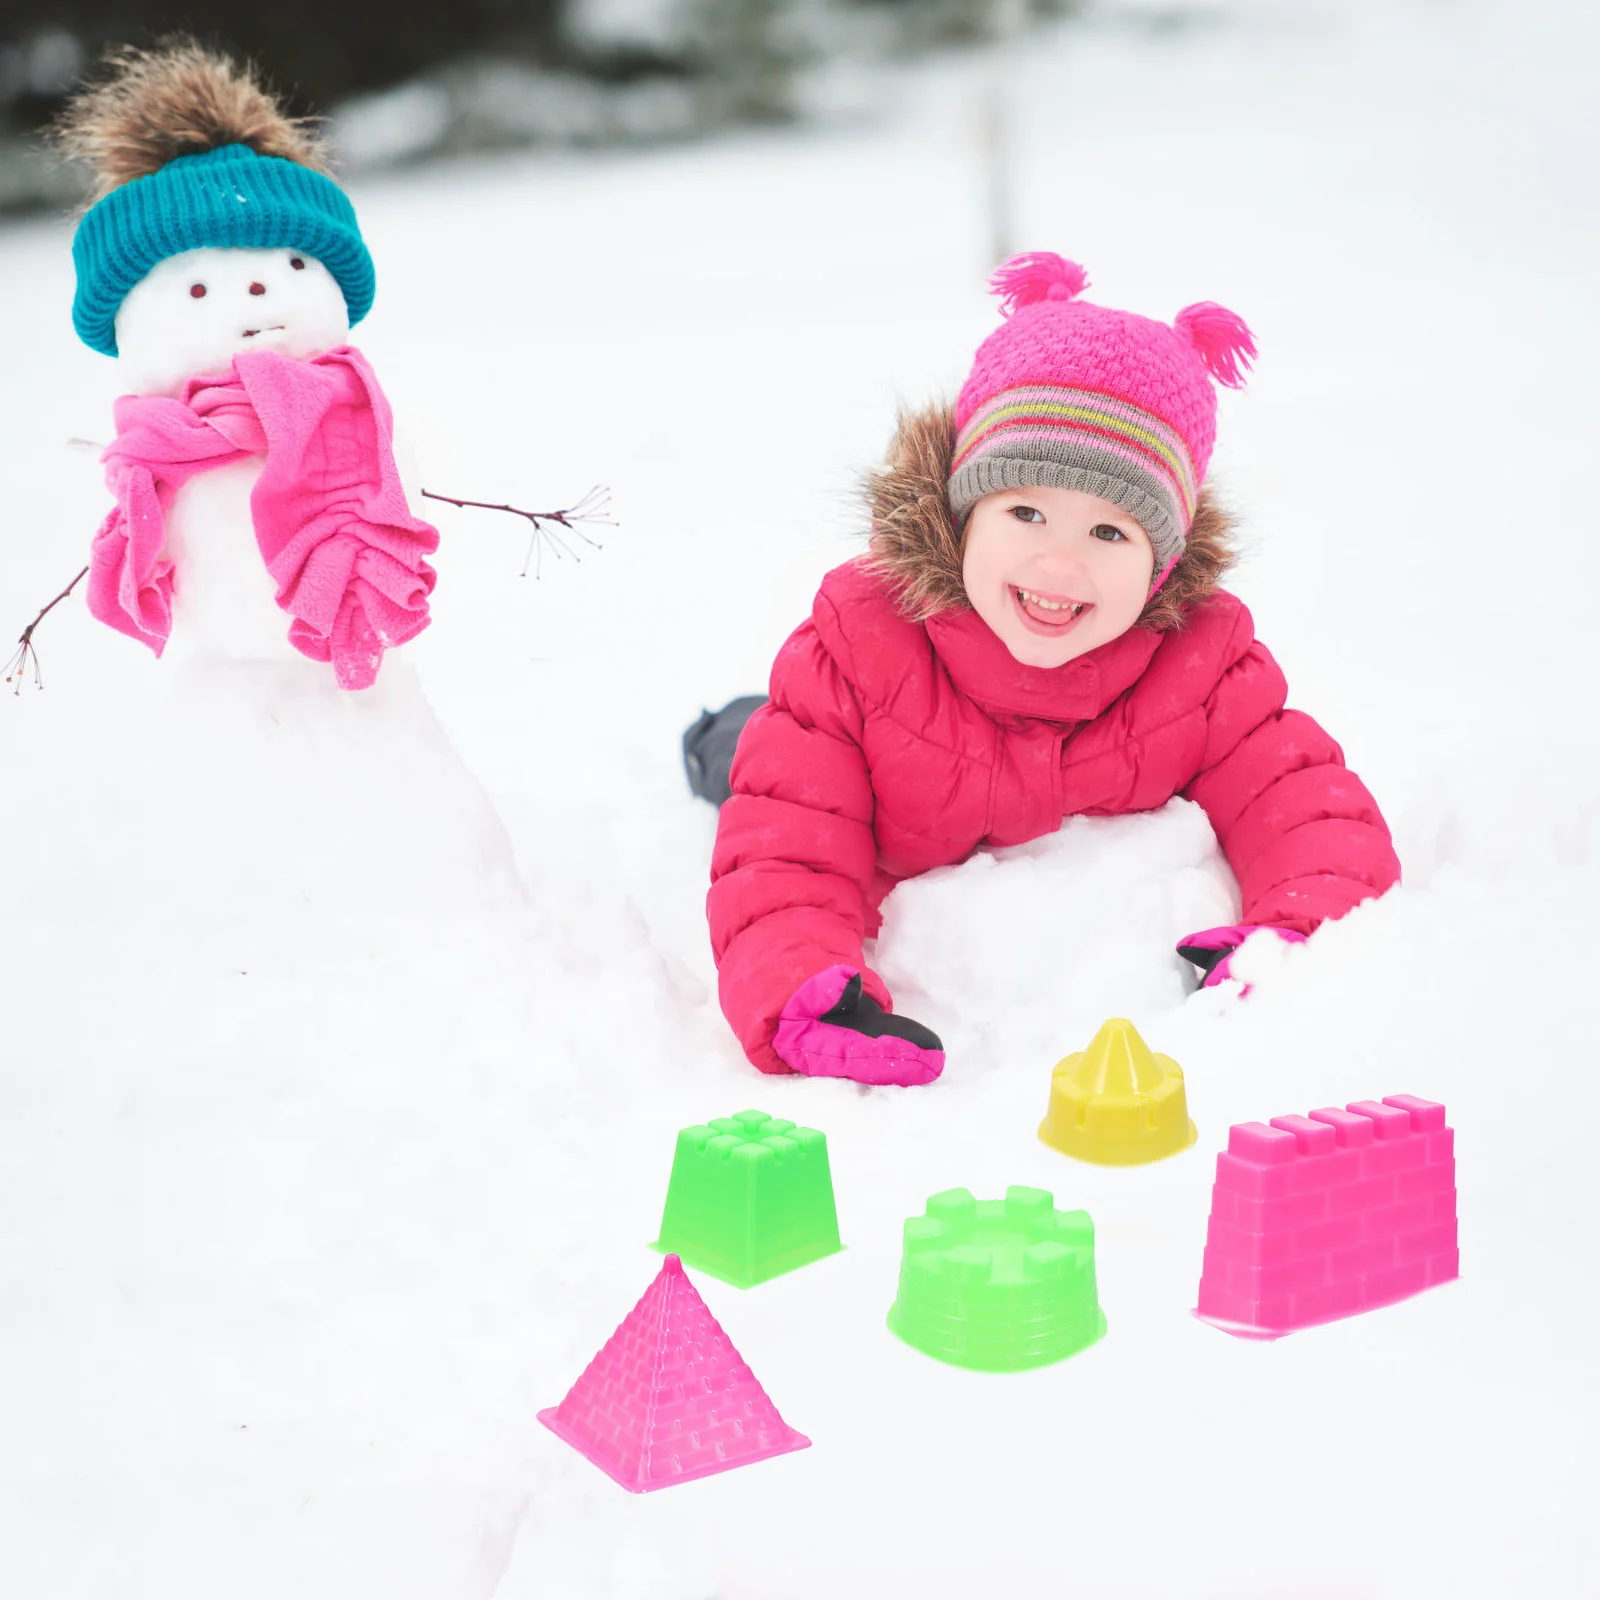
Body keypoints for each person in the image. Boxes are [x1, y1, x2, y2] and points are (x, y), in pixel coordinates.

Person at [698, 252, 1399, 1085]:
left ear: (1163, 566)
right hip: (849, 757)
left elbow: (1305, 809)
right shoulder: (856, 648)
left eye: (1110, 534)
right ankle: (712, 733)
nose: (1059, 566)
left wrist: (1293, 940)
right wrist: (799, 991)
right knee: (750, 750)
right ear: (963, 518)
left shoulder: (1203, 665)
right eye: (1026, 511)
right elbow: (788, 850)